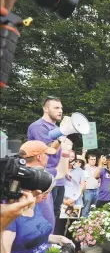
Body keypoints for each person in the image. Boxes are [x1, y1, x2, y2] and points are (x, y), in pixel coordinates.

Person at [27, 97, 67, 232]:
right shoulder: (38, 126)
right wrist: (62, 136)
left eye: (61, 108)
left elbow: (61, 153)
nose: (60, 111)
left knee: (53, 214)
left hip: (54, 175)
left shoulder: (56, 128)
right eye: (56, 107)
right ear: (45, 108)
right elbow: (48, 149)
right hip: (41, 175)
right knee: (44, 215)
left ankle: (52, 245)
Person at [18, 140, 71, 232]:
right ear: (39, 157)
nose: (48, 157)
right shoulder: (41, 175)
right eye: (46, 154)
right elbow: (62, 172)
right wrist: (65, 153)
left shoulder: (17, 172)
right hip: (38, 231)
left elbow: (61, 172)